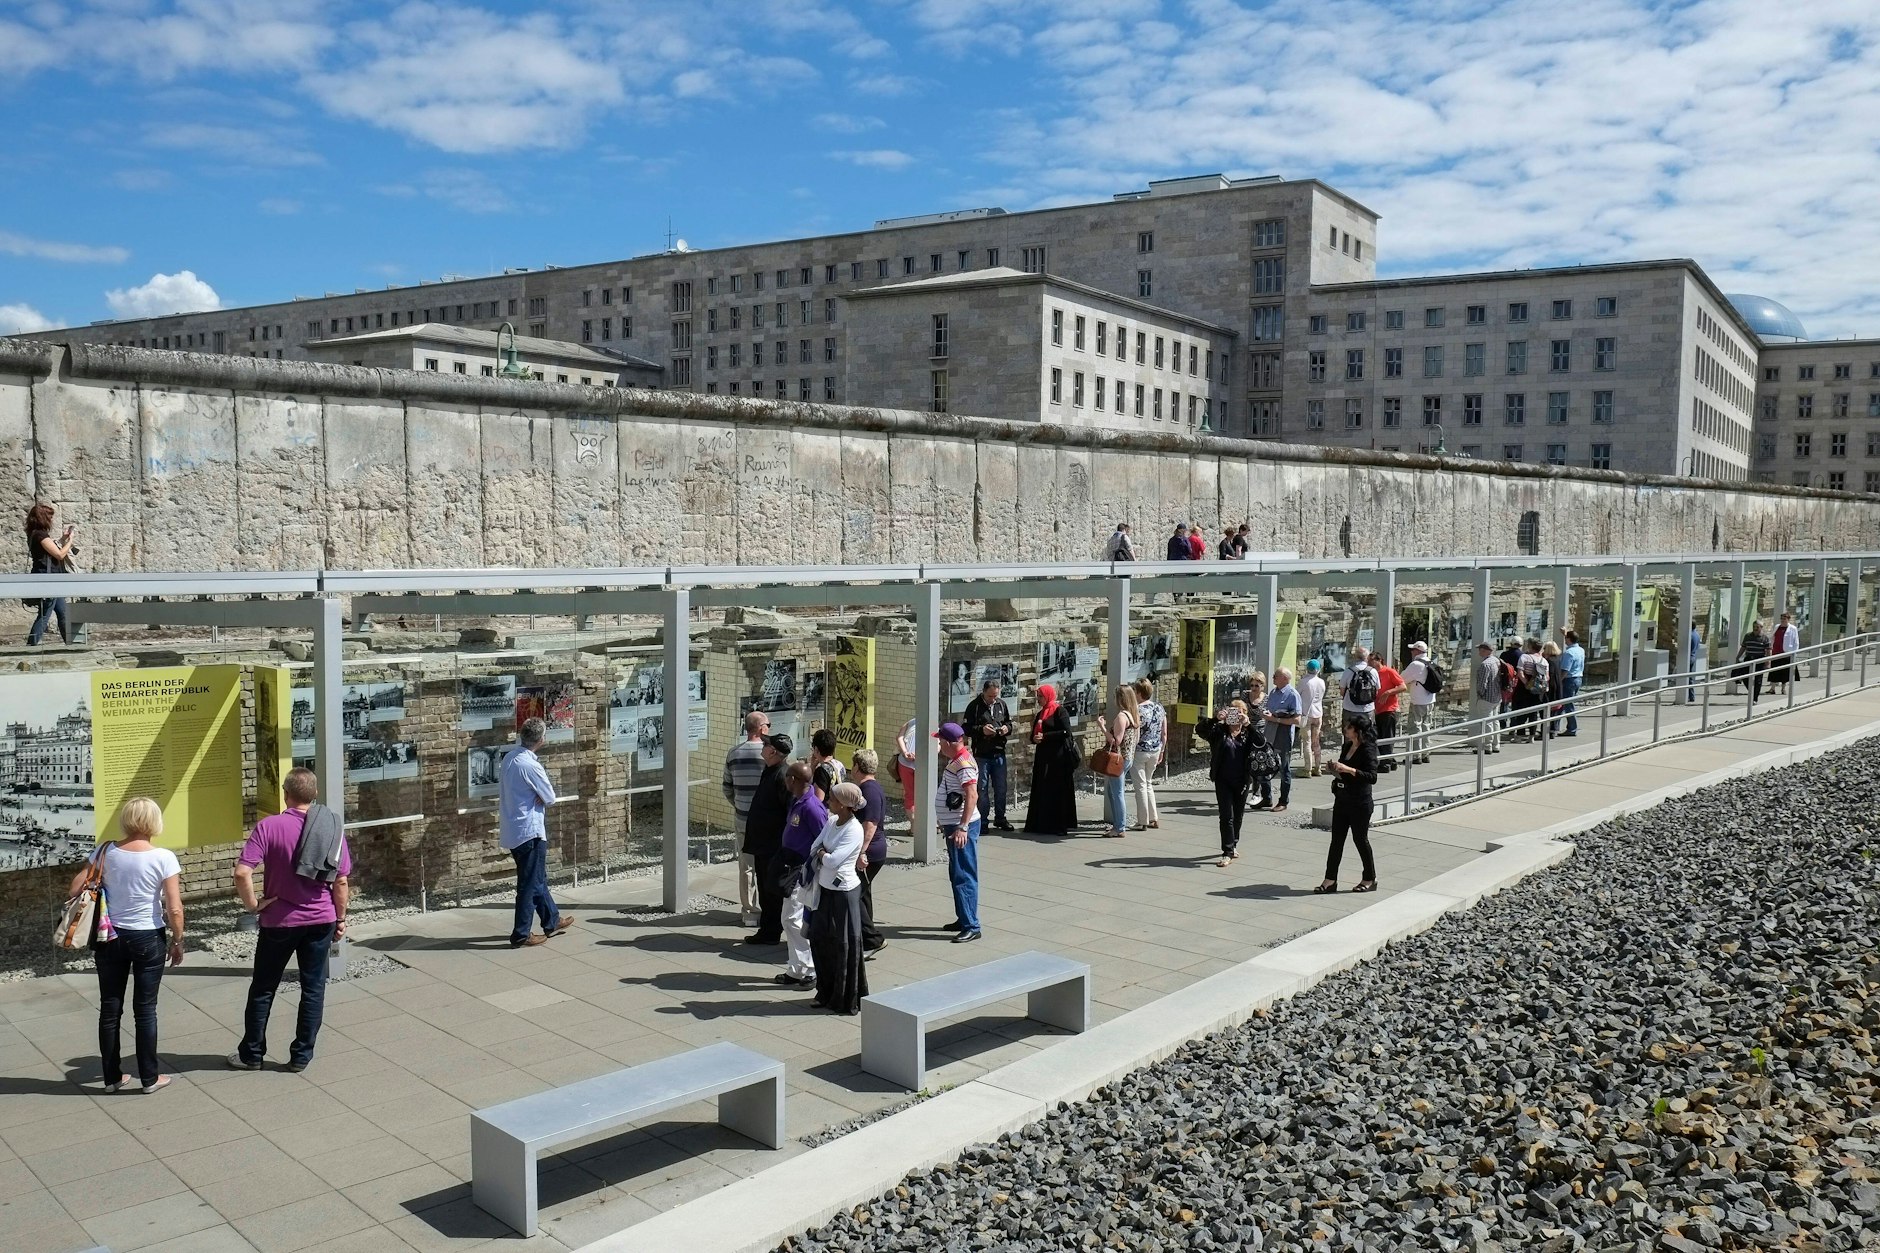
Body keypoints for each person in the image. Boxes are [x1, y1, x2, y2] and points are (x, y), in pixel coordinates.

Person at [228, 768, 350, 1072]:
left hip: (279, 921)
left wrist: (254, 905)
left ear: (285, 793)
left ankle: (251, 1055)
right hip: (320, 919)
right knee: (313, 987)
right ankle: (301, 1056)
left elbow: (242, 872)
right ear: (315, 794)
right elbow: (342, 881)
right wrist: (341, 918)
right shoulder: (332, 826)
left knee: (264, 987)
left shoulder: (269, 826)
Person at [79, 797, 183, 1093]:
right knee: (145, 1010)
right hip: (148, 937)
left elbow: (76, 888)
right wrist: (178, 941)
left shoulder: (104, 851)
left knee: (110, 1009)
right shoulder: (163, 857)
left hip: (108, 935)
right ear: (154, 822)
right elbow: (174, 908)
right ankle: (149, 1078)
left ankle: (112, 1078)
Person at [493, 718, 569, 948]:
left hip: (515, 828)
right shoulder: (530, 765)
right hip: (529, 831)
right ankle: (521, 933)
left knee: (537, 878)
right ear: (541, 739)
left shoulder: (509, 757)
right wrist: (540, 796)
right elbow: (549, 796)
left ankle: (551, 919)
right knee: (529, 882)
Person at [806, 782, 870, 1013]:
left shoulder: (854, 830)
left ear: (843, 805)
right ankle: (824, 990)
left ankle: (844, 997)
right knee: (819, 938)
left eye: (831, 799)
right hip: (825, 890)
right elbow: (814, 846)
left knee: (844, 944)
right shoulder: (832, 821)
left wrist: (823, 853)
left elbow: (834, 860)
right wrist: (823, 853)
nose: (827, 802)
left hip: (845, 893)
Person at [775, 762, 826, 987]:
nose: (785, 780)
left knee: (792, 919)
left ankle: (810, 968)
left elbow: (823, 839)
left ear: (793, 780)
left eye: (788, 777)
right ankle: (796, 969)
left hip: (801, 871)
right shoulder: (799, 801)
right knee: (789, 919)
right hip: (790, 866)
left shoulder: (812, 807)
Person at [1317, 716, 1379, 894]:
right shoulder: (1346, 746)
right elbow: (1344, 771)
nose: (1346, 729)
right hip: (1342, 799)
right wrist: (1335, 769)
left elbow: (1372, 777)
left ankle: (1370, 878)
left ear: (1358, 730)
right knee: (1336, 840)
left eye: (1350, 727)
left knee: (1360, 839)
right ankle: (1330, 879)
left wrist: (1349, 770)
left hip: (1360, 801)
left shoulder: (1368, 749)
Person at [743, 733, 793, 946]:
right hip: (763, 844)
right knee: (765, 887)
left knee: (771, 890)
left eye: (765, 744)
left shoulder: (782, 776)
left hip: (773, 846)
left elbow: (789, 811)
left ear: (773, 751)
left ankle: (771, 931)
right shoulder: (770, 770)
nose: (762, 746)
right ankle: (769, 929)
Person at [933, 724, 982, 942]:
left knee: (964, 874)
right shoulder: (958, 760)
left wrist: (962, 826)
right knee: (957, 873)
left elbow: (972, 795)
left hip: (961, 828)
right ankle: (963, 918)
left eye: (941, 740)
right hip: (954, 826)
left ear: (951, 743)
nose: (939, 744)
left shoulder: (963, 764)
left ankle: (971, 924)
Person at [722, 710, 771, 927]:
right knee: (768, 865)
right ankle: (771, 909)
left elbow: (727, 788)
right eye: (768, 724)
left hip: (743, 819)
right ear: (761, 729)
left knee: (747, 866)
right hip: (767, 820)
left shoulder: (733, 754)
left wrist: (740, 806)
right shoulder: (770, 754)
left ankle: (750, 912)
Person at [1196, 703, 1255, 867]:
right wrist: (1216, 718)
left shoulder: (1247, 732)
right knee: (1226, 816)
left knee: (1238, 815)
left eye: (1240, 712)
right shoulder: (1219, 731)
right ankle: (1227, 851)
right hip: (1223, 779)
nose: (1236, 715)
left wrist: (1248, 724)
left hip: (1242, 779)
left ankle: (1233, 843)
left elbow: (1261, 742)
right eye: (1232, 712)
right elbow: (1199, 729)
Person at [1023, 684, 1079, 835]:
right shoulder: (1041, 714)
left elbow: (1066, 731)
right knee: (1042, 789)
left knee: (1056, 790)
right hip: (1043, 757)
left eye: (1040, 696)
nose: (1038, 699)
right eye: (1038, 697)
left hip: (1058, 758)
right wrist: (1035, 739)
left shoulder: (1060, 711)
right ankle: (1041, 823)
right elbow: (1034, 734)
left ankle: (1058, 825)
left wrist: (1046, 737)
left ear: (1048, 696)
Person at [850, 749, 889, 954]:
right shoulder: (869, 787)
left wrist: (860, 852)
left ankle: (873, 939)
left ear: (857, 767)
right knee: (863, 894)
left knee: (854, 894)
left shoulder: (869, 791)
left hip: (870, 851)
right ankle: (866, 938)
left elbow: (870, 824)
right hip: (873, 850)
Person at [963, 679, 1014, 831]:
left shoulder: (1001, 704)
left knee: (1001, 787)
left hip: (999, 752)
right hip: (982, 755)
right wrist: (981, 730)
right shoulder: (974, 706)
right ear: (984, 692)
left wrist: (1006, 728)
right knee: (982, 789)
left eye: (995, 696)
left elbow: (1009, 723)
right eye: (990, 696)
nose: (993, 699)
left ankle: (1000, 818)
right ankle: (983, 821)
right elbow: (966, 728)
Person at [24, 502, 77, 646]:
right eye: (50, 517)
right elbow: (59, 554)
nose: (51, 520)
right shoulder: (40, 535)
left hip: (52, 579)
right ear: (43, 518)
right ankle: (31, 645)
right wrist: (70, 542)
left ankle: (71, 643)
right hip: (48, 580)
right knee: (45, 614)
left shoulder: (35, 534)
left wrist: (63, 539)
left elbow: (51, 549)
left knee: (63, 613)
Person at [1255, 667, 1302, 812]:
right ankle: (1267, 798)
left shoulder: (1292, 695)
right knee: (1265, 764)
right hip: (1269, 733)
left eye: (1276, 676)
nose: (1273, 678)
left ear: (1285, 679)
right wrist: (1267, 715)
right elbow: (1271, 713)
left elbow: (1297, 720)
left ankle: (1283, 801)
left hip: (1283, 735)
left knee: (1284, 768)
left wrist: (1276, 719)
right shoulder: (1273, 692)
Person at [1100, 685, 1139, 838]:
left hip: (1118, 759)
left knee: (1117, 793)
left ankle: (1119, 827)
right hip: (1128, 757)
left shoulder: (1121, 717)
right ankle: (1118, 824)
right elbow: (1136, 739)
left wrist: (1102, 728)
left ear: (1120, 699)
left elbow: (1116, 741)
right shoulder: (1133, 715)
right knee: (1112, 791)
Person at [1128, 678, 1164, 830]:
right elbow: (1164, 732)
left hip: (1140, 751)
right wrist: (1162, 749)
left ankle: (1142, 821)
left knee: (1140, 786)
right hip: (1155, 750)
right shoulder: (1159, 707)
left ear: (1138, 692)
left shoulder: (1137, 710)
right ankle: (1153, 817)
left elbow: (1135, 733)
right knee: (1148, 784)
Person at [1401, 641, 1437, 765]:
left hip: (1418, 701)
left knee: (1415, 727)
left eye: (1413, 650)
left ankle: (1416, 755)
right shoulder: (1430, 662)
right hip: (1430, 700)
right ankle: (1425, 753)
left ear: (1418, 651)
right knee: (1426, 726)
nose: (1411, 652)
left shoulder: (1416, 664)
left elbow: (1402, 678)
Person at [1372, 654, 1406, 771]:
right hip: (1377, 710)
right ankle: (1390, 760)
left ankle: (1386, 763)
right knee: (1380, 736)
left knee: (1387, 737)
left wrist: (1388, 692)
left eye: (1371, 660)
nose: (1369, 663)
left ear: (1379, 660)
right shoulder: (1372, 673)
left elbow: (1403, 686)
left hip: (1389, 709)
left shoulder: (1389, 671)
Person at [1511, 638, 1549, 741]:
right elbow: (1547, 677)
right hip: (1538, 690)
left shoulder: (1524, 657)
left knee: (1521, 711)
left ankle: (1519, 735)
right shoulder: (1544, 661)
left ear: (1530, 647)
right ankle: (1531, 736)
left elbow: (1520, 673)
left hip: (1524, 689)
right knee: (1533, 713)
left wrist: (1527, 684)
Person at [1472, 642, 1503, 753]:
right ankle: (1496, 744)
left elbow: (1482, 683)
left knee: (1486, 722)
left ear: (1485, 651)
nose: (1479, 651)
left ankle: (1487, 746)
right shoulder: (1496, 660)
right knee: (1495, 721)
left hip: (1486, 698)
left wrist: (1480, 694)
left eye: (1480, 649)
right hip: (1497, 696)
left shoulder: (1485, 665)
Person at [1339, 646, 1379, 728]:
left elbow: (1342, 691)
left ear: (1355, 657)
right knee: (1367, 734)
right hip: (1368, 709)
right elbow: (1377, 690)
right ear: (1367, 657)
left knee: (1349, 735)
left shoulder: (1348, 671)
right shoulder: (1373, 671)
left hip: (1350, 708)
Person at [1301, 659, 1328, 776]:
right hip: (1318, 713)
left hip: (1306, 714)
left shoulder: (1304, 681)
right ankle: (1318, 767)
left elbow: (1298, 694)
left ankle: (1308, 769)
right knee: (1316, 742)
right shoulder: (1321, 682)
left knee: (1307, 742)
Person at [1558, 629, 1586, 736]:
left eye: (1566, 638)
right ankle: (1555, 726)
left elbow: (1565, 669)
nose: (1565, 640)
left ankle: (1572, 728)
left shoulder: (1569, 653)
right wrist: (1565, 633)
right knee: (1564, 703)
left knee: (1568, 705)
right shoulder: (1580, 650)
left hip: (1569, 680)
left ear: (1568, 639)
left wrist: (1559, 681)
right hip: (1578, 678)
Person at [1736, 619, 1770, 703]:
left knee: (1758, 680)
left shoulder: (1765, 638)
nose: (1755, 629)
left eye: (1757, 627)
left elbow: (1768, 651)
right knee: (1744, 676)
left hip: (1759, 659)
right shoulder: (1748, 636)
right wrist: (1738, 657)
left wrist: (1768, 662)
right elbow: (1743, 647)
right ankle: (1751, 690)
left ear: (1761, 627)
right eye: (1754, 627)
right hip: (1749, 658)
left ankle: (1754, 698)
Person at [809, 727, 845, 802]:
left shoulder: (821, 770)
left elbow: (818, 799)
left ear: (816, 749)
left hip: (826, 811)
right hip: (838, 810)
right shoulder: (840, 765)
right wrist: (813, 766)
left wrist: (812, 768)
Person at [1769, 612, 1800, 694]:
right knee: (1774, 671)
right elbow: (1773, 637)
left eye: (1784, 619)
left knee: (1784, 672)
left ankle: (1783, 688)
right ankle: (1772, 688)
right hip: (1776, 651)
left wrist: (1794, 653)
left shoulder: (1792, 628)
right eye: (1782, 619)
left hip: (1786, 652)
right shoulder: (1777, 627)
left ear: (1788, 619)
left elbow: (1796, 642)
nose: (1783, 620)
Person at [894, 717, 919, 815]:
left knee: (910, 794)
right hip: (922, 765)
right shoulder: (933, 725)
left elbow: (899, 737)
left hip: (905, 763)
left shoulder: (911, 722)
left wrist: (905, 752)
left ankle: (913, 825)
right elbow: (937, 747)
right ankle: (921, 823)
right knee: (924, 794)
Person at [1541, 641, 1565, 736]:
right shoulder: (1557, 659)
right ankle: (1553, 730)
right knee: (1554, 710)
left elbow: (1548, 676)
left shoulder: (1549, 661)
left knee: (1547, 710)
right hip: (1558, 685)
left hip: (1551, 687)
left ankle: (1546, 732)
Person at [1687, 624, 1704, 704]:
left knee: (1687, 677)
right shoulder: (1697, 634)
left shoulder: (1689, 635)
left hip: (1688, 657)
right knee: (1690, 677)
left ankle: (1689, 696)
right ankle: (1691, 696)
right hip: (1693, 656)